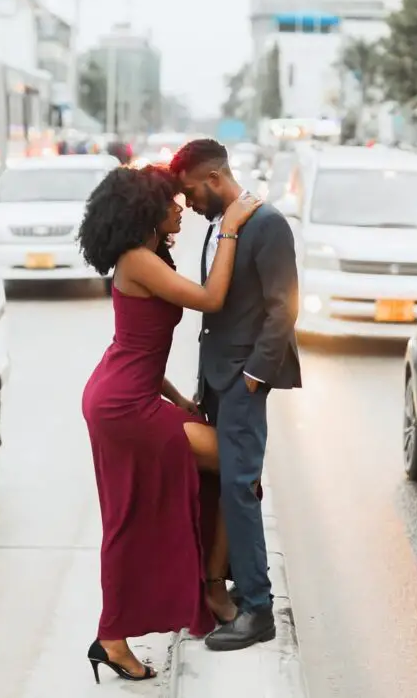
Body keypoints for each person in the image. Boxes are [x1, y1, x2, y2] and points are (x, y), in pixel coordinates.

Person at [78, 164, 261, 684]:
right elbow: (210, 299)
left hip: (128, 393)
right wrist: (229, 228)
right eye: (171, 202)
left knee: (146, 506)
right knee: (227, 468)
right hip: (124, 405)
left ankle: (205, 586)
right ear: (146, 210)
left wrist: (180, 399)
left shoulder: (148, 255)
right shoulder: (137, 259)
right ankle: (126, 630)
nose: (181, 208)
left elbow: (139, 345)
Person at [170, 139, 302, 652]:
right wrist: (209, 383)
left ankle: (257, 609)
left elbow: (283, 307)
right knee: (230, 488)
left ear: (213, 178)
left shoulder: (267, 224)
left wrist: (254, 375)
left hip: (243, 381)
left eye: (190, 192)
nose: (188, 204)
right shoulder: (218, 226)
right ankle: (236, 590)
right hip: (218, 381)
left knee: (240, 490)